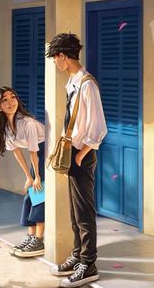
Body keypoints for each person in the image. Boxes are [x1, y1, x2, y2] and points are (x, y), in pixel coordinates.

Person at [46, 33, 107, 287]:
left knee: (84, 212)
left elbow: (98, 127)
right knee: (74, 211)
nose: (55, 63)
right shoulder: (72, 81)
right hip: (73, 153)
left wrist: (82, 154)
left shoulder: (86, 84)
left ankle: (89, 264)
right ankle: (78, 255)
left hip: (82, 154)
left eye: (55, 58)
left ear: (63, 56)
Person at [0, 86, 45, 258]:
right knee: (29, 196)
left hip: (45, 152)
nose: (11, 102)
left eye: (13, 97)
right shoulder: (6, 128)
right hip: (36, 157)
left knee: (38, 195)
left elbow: (33, 151)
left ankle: (39, 240)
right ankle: (31, 237)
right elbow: (17, 151)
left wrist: (37, 177)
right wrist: (28, 177)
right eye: (5, 100)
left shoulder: (27, 123)